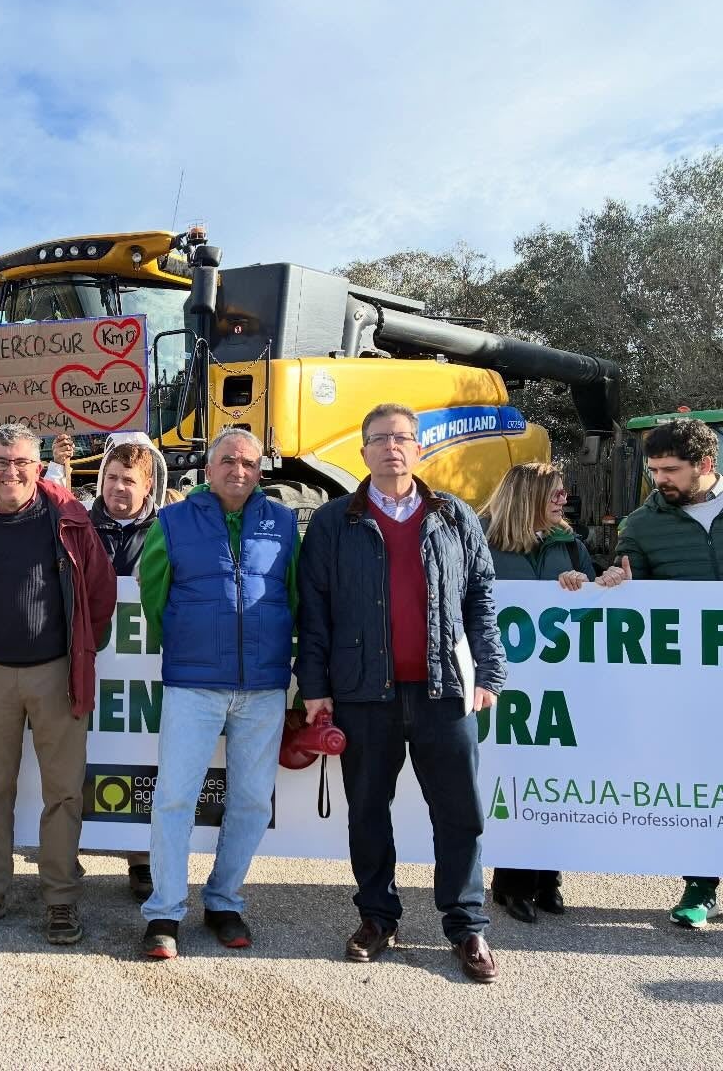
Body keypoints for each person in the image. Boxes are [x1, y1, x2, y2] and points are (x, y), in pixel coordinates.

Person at [296, 403, 507, 984]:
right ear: (362, 452)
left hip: (445, 691)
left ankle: (467, 926)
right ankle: (377, 917)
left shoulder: (456, 516)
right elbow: (314, 612)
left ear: (419, 450)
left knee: (459, 811)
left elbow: (481, 602)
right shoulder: (334, 521)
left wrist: (488, 672)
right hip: (364, 692)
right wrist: (315, 688)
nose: (392, 447)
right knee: (367, 811)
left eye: (403, 438)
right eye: (380, 438)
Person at [0, 424, 116, 945]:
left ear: (37, 466)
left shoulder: (69, 519)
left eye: (20, 461)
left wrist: (77, 651)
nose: (10, 471)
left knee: (63, 792)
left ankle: (60, 899)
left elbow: (100, 595)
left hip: (57, 673)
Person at [135, 429, 298, 958]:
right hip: (193, 684)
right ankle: (164, 911)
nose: (239, 470)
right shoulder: (174, 520)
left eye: (249, 462)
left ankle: (224, 901)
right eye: (227, 460)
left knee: (251, 801)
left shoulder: (285, 522)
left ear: (260, 471)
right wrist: (185, 642)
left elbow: (294, 596)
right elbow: (154, 592)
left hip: (264, 686)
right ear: (209, 468)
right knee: (175, 798)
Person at [478, 463, 627, 922]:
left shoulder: (570, 544)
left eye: (563, 492)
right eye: (554, 492)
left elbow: (593, 599)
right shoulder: (482, 541)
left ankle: (548, 879)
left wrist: (604, 583)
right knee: (515, 778)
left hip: (561, 685)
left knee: (555, 778)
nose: (564, 499)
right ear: (526, 495)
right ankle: (512, 882)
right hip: (505, 685)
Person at [614, 418, 723, 928]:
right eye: (654, 469)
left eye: (671, 470)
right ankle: (700, 887)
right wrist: (618, 578)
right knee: (700, 781)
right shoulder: (640, 523)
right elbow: (631, 584)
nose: (660, 479)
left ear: (706, 464)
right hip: (689, 686)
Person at [87, 434, 168, 903]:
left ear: (148, 484)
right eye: (111, 477)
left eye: (129, 480)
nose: (118, 487)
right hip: (88, 664)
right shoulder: (78, 524)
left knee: (143, 762)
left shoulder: (166, 530)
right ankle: (67, 848)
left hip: (144, 672)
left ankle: (141, 860)